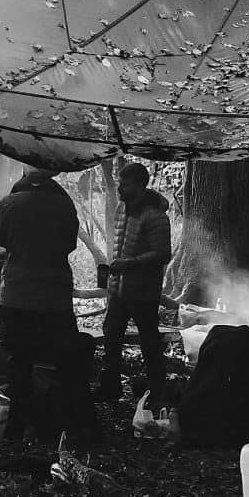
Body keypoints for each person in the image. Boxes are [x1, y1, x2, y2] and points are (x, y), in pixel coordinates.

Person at [0, 167, 95, 445]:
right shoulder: (64, 204)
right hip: (54, 294)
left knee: (18, 361)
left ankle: (17, 424)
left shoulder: (8, 203)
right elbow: (70, 244)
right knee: (64, 359)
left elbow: (2, 240)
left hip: (15, 293)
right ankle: (62, 423)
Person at [98, 161, 171, 402]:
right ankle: (110, 387)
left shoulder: (156, 216)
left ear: (139, 185)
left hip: (143, 293)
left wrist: (130, 264)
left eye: (124, 184)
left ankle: (157, 391)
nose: (120, 188)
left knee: (149, 342)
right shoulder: (122, 209)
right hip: (119, 290)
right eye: (120, 183)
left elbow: (162, 254)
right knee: (111, 336)